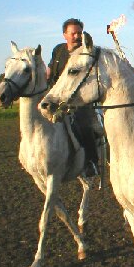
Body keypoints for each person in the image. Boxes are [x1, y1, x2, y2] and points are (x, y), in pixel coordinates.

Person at [47, 18, 99, 177]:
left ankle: (91, 162)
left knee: (84, 124)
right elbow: (49, 72)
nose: (77, 36)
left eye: (79, 33)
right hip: (56, 97)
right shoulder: (58, 50)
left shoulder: (86, 52)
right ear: (65, 35)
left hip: (79, 101)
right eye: (73, 33)